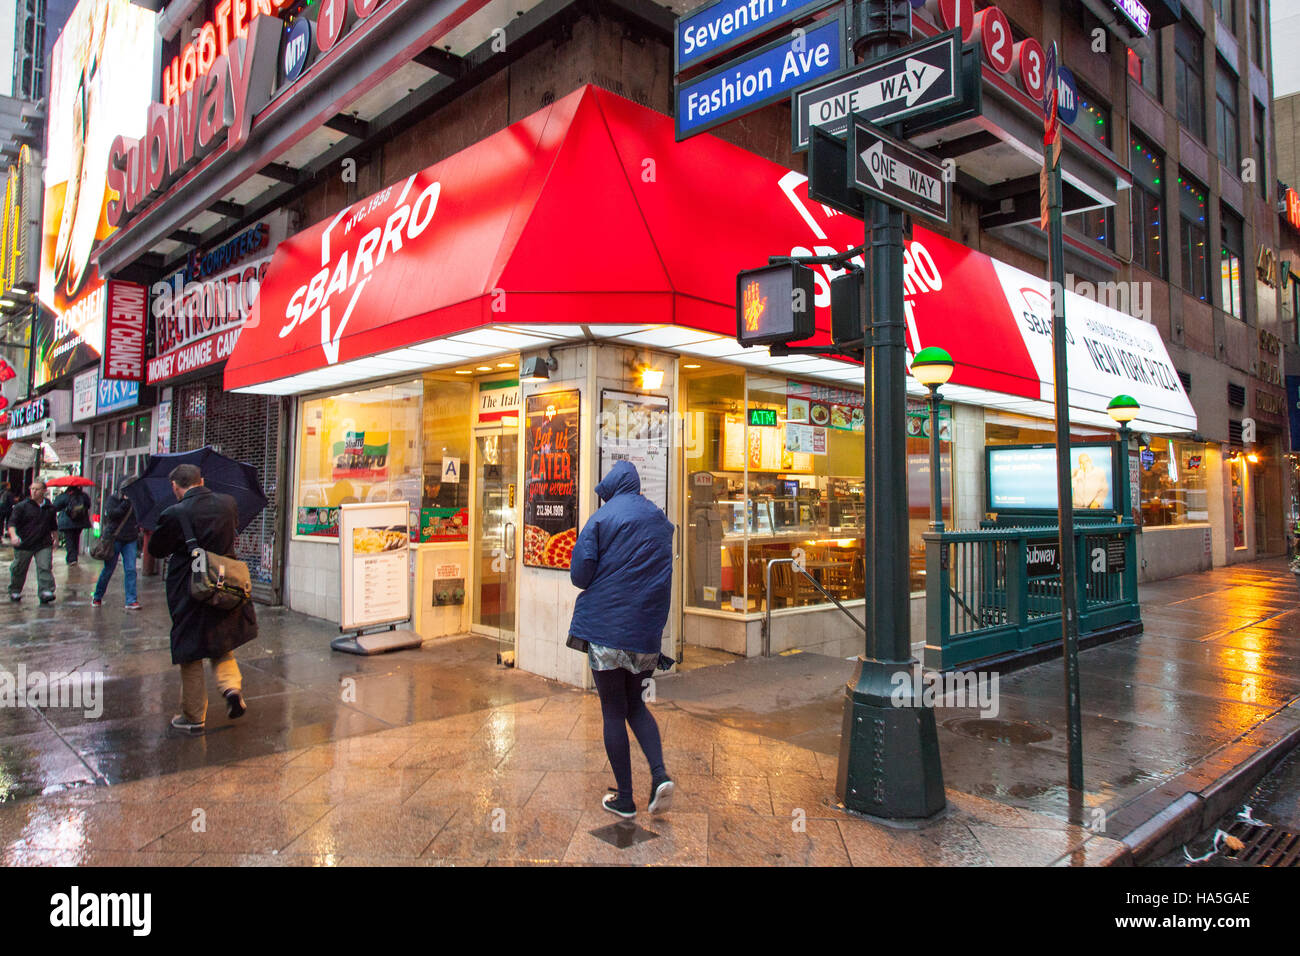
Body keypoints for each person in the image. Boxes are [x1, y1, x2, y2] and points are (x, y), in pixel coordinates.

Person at [568, 460, 675, 819]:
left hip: (606, 632)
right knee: (637, 706)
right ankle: (659, 775)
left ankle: (625, 799)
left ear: (611, 488)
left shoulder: (601, 519)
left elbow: (580, 577)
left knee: (613, 711)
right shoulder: (660, 520)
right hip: (645, 632)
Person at [147, 463, 257, 734]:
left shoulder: (174, 513)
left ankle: (194, 716)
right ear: (202, 479)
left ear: (175, 486)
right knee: (221, 642)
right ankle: (231, 689)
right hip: (224, 583)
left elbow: (157, 549)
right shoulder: (228, 503)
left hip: (190, 588)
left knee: (190, 651)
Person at [91, 478, 141, 609]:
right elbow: (113, 515)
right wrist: (125, 502)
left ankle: (131, 600)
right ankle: (97, 596)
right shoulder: (113, 499)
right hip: (115, 538)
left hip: (131, 538)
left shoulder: (137, 501)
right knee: (109, 569)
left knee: (130, 569)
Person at [8, 479, 59, 604]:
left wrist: (56, 539)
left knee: (45, 566)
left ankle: (46, 591)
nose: (34, 491)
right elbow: (12, 523)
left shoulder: (49, 507)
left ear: (44, 491)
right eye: (32, 489)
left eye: (37, 489)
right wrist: (14, 536)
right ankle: (15, 590)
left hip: (43, 543)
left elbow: (53, 525)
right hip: (24, 543)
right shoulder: (22, 506)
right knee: (19, 568)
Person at [53, 483, 92, 564]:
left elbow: (55, 507)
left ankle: (72, 558)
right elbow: (88, 505)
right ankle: (74, 556)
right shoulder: (84, 495)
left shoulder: (64, 495)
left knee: (69, 539)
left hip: (67, 521)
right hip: (80, 521)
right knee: (76, 538)